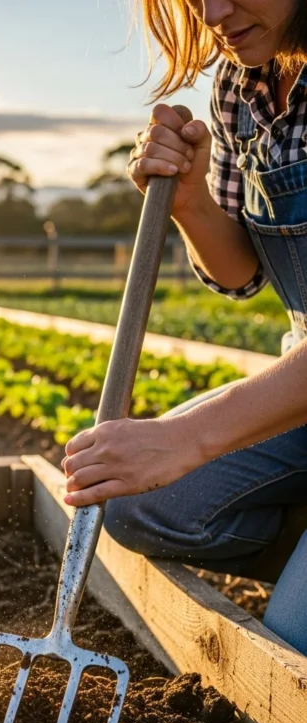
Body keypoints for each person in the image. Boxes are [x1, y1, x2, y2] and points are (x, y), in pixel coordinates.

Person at [62, 0, 307, 655]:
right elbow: (240, 274)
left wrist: (188, 438)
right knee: (140, 504)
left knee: (292, 640)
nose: (214, 12)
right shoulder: (239, 84)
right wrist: (192, 199)